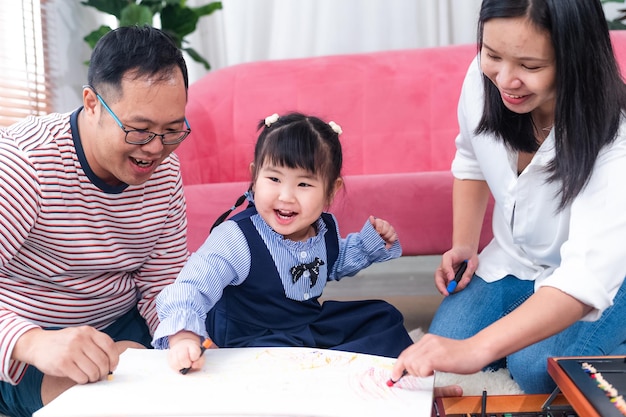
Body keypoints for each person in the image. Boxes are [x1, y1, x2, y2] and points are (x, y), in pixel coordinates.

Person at [392, 0, 626, 394]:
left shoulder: (614, 137)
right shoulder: (487, 80)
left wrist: (476, 350)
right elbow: (470, 159)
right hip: (518, 260)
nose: (505, 79)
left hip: (610, 273)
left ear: (576, 58)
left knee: (537, 369)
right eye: (492, 54)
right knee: (448, 338)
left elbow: (584, 278)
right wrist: (464, 245)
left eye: (530, 66)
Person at [0, 26, 191, 417]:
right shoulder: (25, 166)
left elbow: (162, 282)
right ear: (91, 103)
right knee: (98, 399)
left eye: (172, 131)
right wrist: (33, 343)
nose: (156, 149)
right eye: (139, 130)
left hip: (121, 323)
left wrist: (178, 336)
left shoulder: (165, 172)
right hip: (30, 344)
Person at [152, 112, 415, 372]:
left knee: (383, 318)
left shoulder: (322, 230)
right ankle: (318, 374)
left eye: (303, 184)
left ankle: (389, 378)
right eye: (274, 179)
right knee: (281, 361)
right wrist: (184, 335)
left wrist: (368, 245)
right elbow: (193, 285)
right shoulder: (237, 238)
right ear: (255, 178)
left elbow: (332, 262)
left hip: (305, 325)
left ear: (330, 191)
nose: (286, 196)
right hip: (252, 338)